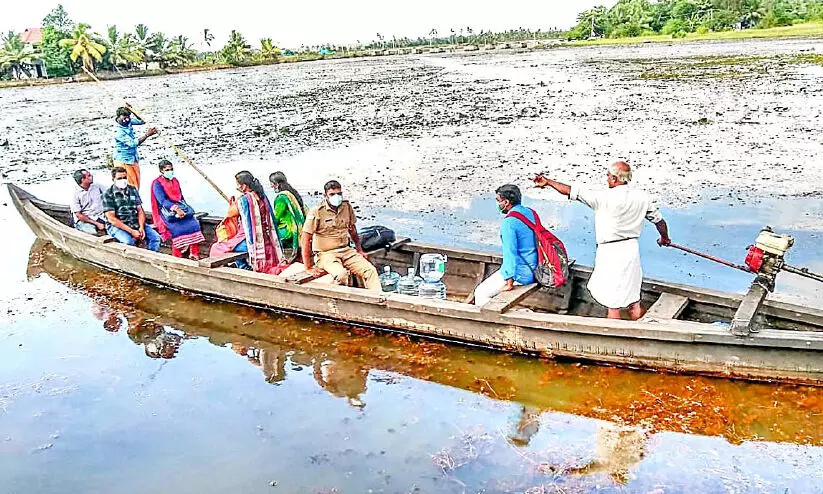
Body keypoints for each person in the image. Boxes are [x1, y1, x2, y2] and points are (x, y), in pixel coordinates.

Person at [533, 161, 671, 320]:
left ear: (614, 178)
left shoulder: (602, 197)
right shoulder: (642, 197)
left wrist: (549, 182)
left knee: (612, 302)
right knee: (634, 299)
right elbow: (659, 221)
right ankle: (639, 326)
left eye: (607, 176)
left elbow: (571, 191)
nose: (606, 179)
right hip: (631, 250)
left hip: (610, 253)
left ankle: (615, 338)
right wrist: (664, 238)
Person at [301, 180, 380, 291]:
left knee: (370, 271)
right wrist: (308, 267)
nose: (336, 197)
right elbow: (305, 239)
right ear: (325, 196)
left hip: (346, 250)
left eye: (339, 194)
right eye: (332, 194)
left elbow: (352, 230)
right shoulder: (317, 211)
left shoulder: (346, 207)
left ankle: (378, 300)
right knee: (341, 275)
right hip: (326, 254)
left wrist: (359, 249)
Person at [474, 184, 539, 306]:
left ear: (506, 202)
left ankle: (516, 315)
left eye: (499, 201)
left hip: (521, 274)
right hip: (535, 268)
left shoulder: (509, 223)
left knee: (480, 293)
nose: (498, 204)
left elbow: (510, 253)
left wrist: (509, 282)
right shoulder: (531, 213)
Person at [210, 171, 287, 274]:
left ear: (244, 186)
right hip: (267, 237)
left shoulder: (244, 200)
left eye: (237, 184)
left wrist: (235, 203)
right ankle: (242, 265)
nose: (236, 186)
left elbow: (231, 213)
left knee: (217, 247)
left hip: (252, 241)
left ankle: (243, 266)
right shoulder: (262, 196)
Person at [150, 160, 205, 259]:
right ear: (161, 171)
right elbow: (162, 201)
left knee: (194, 224)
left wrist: (185, 209)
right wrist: (175, 209)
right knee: (177, 229)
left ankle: (194, 253)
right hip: (166, 211)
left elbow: (181, 197)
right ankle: (177, 257)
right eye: (167, 170)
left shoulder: (175, 180)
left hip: (179, 207)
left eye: (171, 169)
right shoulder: (157, 183)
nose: (170, 171)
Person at [102, 166, 162, 251]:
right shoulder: (108, 194)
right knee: (128, 242)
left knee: (155, 238)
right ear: (113, 179)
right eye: (119, 178)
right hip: (118, 226)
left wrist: (141, 227)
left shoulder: (132, 189)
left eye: (124, 178)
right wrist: (131, 231)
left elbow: (140, 210)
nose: (123, 180)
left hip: (134, 222)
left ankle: (151, 256)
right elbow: (112, 219)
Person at [113, 106, 158, 190]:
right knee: (128, 185)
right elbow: (133, 143)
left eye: (128, 118)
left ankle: (136, 201)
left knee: (136, 184)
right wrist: (148, 134)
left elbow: (142, 121)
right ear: (118, 117)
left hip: (133, 158)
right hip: (123, 160)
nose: (126, 120)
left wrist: (133, 110)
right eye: (124, 118)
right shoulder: (118, 132)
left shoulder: (128, 121)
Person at [269, 171, 307, 257]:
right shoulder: (293, 193)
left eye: (272, 185)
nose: (272, 187)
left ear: (276, 184)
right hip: (300, 226)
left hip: (288, 229)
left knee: (267, 236)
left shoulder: (281, 197)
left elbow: (276, 217)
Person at [70, 169, 106, 234]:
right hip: (85, 219)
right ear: (82, 180)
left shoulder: (96, 186)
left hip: (99, 216)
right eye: (89, 176)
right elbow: (78, 215)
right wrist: (97, 224)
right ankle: (77, 227)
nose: (91, 176)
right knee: (93, 233)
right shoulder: (75, 194)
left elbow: (109, 193)